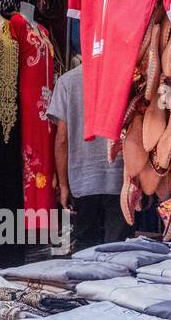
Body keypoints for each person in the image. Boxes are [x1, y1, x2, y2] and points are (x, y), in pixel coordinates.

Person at [48, 62, 132, 251]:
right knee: (118, 252)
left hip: (82, 181)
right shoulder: (124, 78)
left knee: (86, 251)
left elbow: (62, 138)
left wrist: (63, 185)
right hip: (119, 179)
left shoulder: (66, 82)